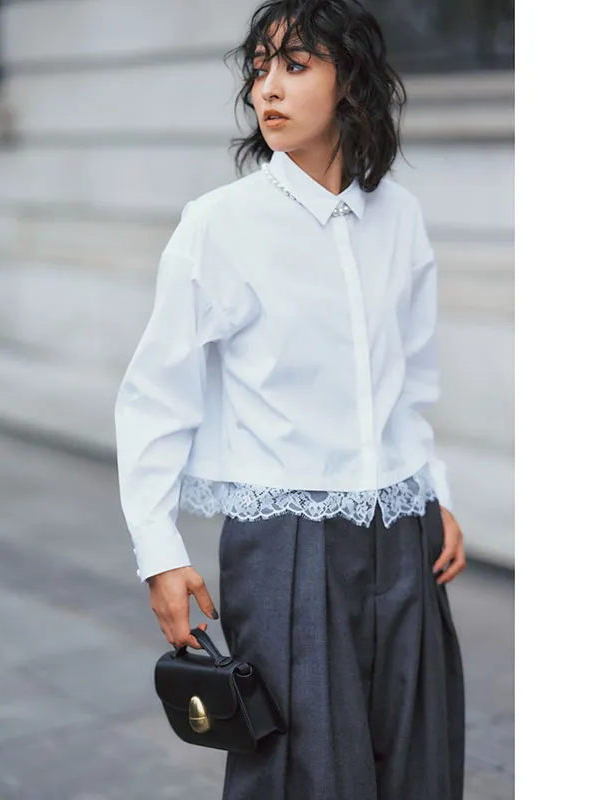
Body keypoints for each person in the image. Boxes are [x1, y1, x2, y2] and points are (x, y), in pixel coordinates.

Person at [113, 1, 466, 797]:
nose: (267, 88)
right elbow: (154, 399)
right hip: (287, 545)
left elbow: (411, 382)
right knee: (302, 772)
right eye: (259, 68)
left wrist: (435, 491)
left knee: (418, 758)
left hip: (405, 533)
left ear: (352, 83)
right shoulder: (219, 225)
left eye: (296, 65)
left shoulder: (400, 218)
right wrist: (159, 553)